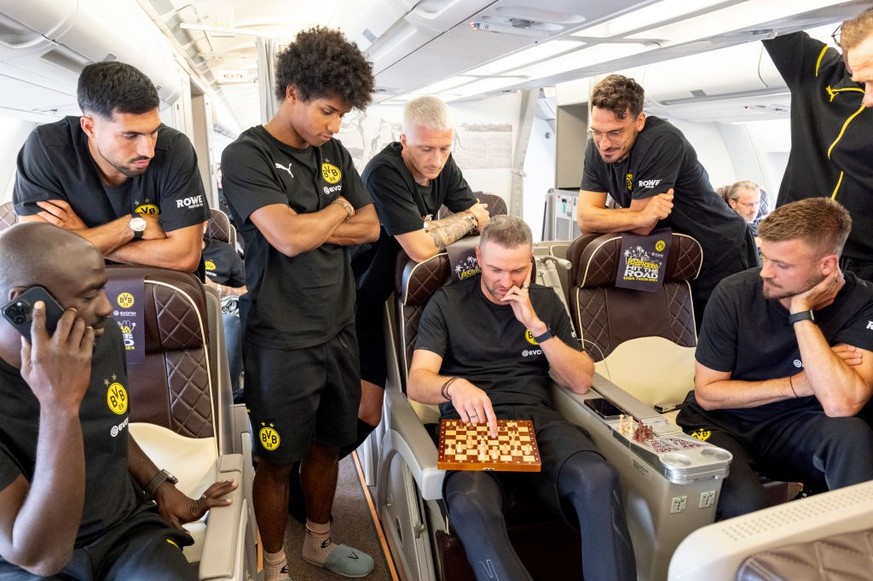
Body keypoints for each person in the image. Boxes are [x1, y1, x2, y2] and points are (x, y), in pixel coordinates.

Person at [220, 27, 379, 581]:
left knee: (328, 447)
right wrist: (336, 212)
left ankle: (318, 542)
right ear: (293, 93)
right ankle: (276, 564)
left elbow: (372, 226)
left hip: (338, 328)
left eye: (342, 116)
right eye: (328, 112)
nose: (335, 127)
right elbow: (286, 239)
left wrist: (316, 222)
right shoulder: (246, 155)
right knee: (277, 460)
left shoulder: (332, 152)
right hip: (280, 338)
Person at [0, 222, 235, 580]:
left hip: (125, 532)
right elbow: (40, 556)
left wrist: (159, 485)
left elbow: (110, 425)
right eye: (90, 294)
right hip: (31, 561)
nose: (107, 308)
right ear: (28, 301)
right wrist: (58, 405)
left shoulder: (99, 337)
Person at [407, 215, 636, 581]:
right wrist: (453, 386)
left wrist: (536, 326)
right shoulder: (448, 303)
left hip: (538, 419)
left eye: (517, 270)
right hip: (474, 426)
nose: (505, 282)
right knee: (469, 501)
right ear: (479, 258)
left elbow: (580, 381)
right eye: (496, 269)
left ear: (529, 263)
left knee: (598, 477)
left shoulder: (544, 303)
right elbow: (417, 383)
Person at [676, 198, 873, 521]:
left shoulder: (863, 303)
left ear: (826, 266)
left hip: (793, 427)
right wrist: (798, 385)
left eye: (782, 265)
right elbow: (709, 394)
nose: (765, 273)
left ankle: (854, 553)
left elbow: (842, 404)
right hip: (722, 424)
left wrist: (801, 313)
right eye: (764, 257)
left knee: (853, 436)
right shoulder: (734, 292)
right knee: (745, 507)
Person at [350, 95, 490, 454]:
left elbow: (477, 214)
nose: (437, 160)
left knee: (368, 413)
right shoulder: (385, 172)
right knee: (353, 410)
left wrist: (450, 222)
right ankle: (301, 482)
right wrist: (466, 220)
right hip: (353, 300)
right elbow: (421, 248)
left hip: (390, 296)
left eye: (444, 148)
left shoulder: (442, 163)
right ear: (404, 141)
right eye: (427, 149)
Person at [576, 74, 756, 325]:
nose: (604, 143)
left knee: (726, 343)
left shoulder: (661, 141)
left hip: (719, 253)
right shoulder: (595, 150)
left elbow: (642, 228)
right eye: (597, 132)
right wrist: (639, 214)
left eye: (615, 133)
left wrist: (629, 218)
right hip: (674, 259)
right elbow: (585, 219)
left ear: (639, 121)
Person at [12, 61, 209, 274]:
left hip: (161, 290)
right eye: (130, 135)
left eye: (153, 132)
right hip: (79, 290)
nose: (148, 150)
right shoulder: (47, 148)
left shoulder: (174, 148)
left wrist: (79, 238)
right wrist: (133, 225)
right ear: (89, 127)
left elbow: (184, 257)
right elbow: (38, 255)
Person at [763, 7, 873, 281]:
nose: (868, 97)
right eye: (863, 81)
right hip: (793, 247)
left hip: (865, 263)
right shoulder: (816, 70)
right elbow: (767, 13)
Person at [201, 227, 246, 401]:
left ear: (205, 224)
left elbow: (249, 290)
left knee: (232, 323)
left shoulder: (224, 251)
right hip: (181, 311)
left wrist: (218, 289)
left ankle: (224, 396)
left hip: (221, 313)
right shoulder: (167, 253)